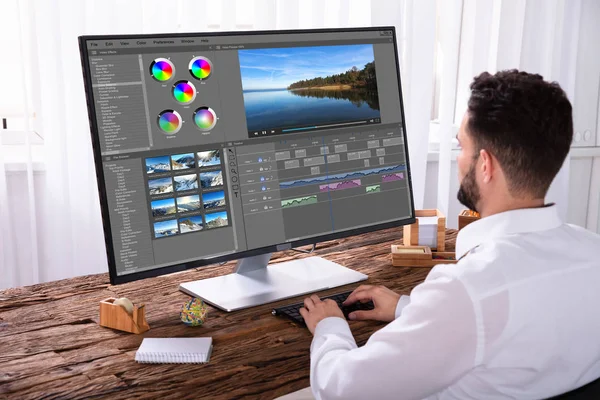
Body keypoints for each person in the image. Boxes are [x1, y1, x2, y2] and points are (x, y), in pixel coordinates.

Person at [299, 70, 600, 400]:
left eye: (461, 146)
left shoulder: (469, 287)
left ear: (485, 165)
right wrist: (408, 308)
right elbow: (501, 326)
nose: (458, 160)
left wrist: (329, 325)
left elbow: (342, 389)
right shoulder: (592, 251)